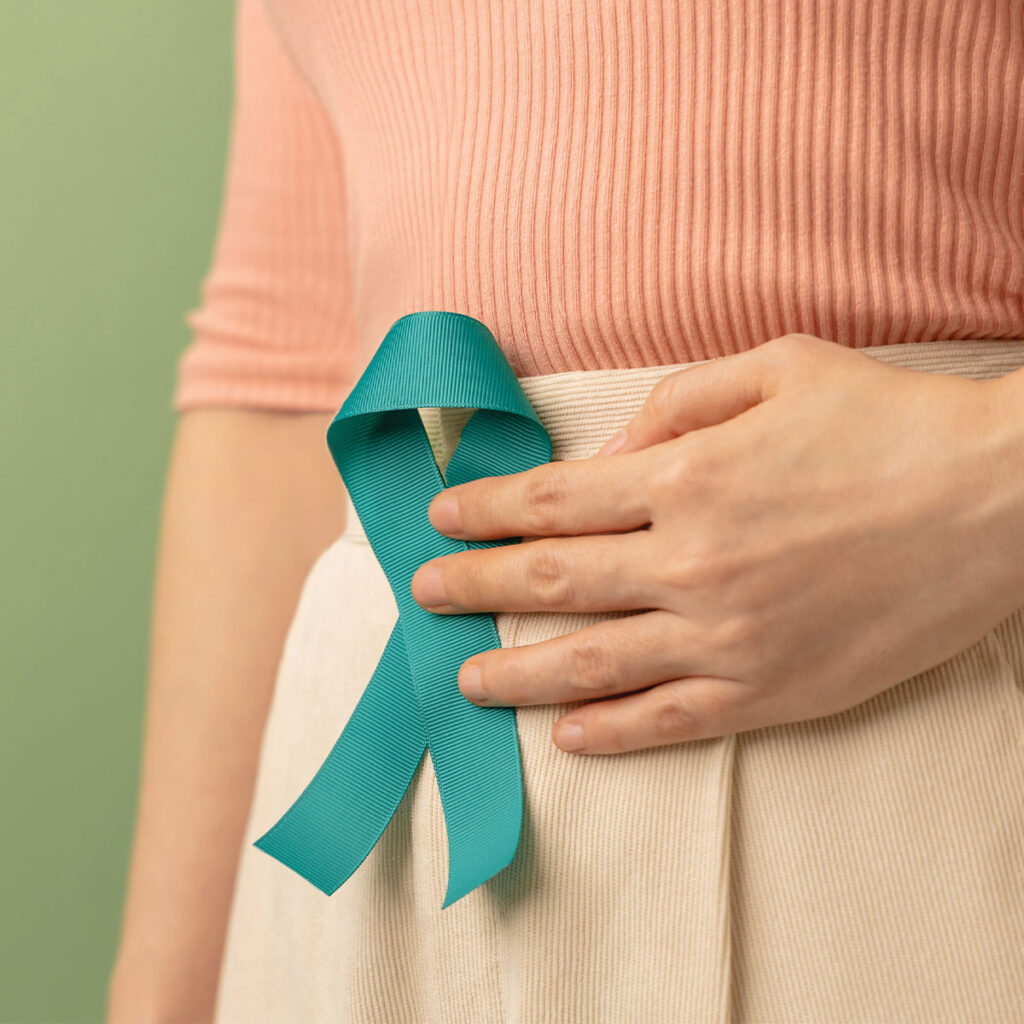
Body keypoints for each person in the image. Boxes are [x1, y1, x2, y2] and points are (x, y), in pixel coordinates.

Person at [108, 1, 1024, 1021]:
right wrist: (163, 996)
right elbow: (283, 374)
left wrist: (997, 474)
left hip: (904, 703)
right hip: (375, 838)